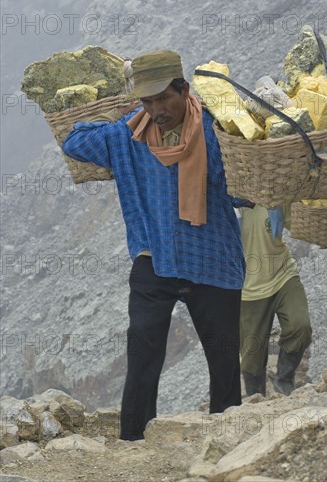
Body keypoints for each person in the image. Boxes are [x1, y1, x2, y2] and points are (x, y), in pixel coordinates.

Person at [62, 50, 247, 440]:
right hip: (154, 258)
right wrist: (128, 113)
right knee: (143, 356)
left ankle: (225, 437)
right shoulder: (128, 135)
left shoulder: (216, 134)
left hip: (211, 258)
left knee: (224, 360)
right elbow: (74, 141)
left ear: (184, 90)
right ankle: (134, 440)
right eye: (148, 101)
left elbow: (243, 192)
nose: (157, 109)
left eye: (164, 98)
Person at [239, 204, 312, 396]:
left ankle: (284, 380)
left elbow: (299, 225)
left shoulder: (275, 196)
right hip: (248, 288)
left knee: (300, 326)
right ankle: (257, 399)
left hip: (283, 275)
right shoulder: (227, 202)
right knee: (251, 356)